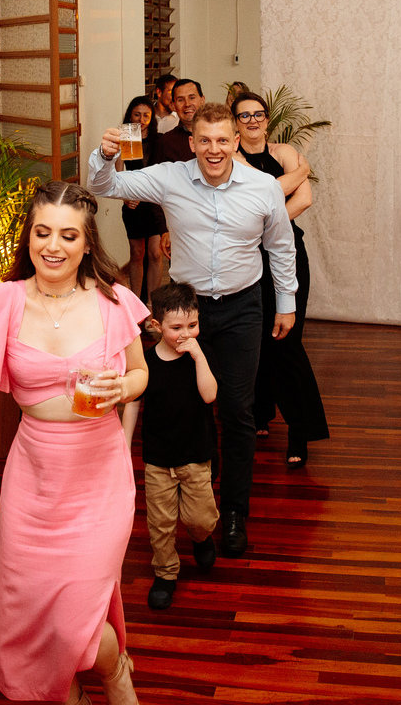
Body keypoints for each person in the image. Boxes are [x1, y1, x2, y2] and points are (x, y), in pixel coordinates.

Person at [0, 181, 148, 705]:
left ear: (87, 243)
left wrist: (122, 388)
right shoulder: (7, 298)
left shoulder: (113, 301)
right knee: (32, 613)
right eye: (42, 232)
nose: (53, 245)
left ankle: (115, 676)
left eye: (68, 235)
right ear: (29, 237)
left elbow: (140, 374)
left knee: (73, 619)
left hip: (98, 476)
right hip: (33, 482)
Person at [89, 102, 298, 559]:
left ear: (236, 141)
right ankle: (205, 487)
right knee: (196, 404)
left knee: (237, 411)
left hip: (244, 308)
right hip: (188, 311)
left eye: (223, 139)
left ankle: (236, 512)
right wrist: (104, 156)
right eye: (205, 140)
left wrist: (286, 303)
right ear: (192, 143)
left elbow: (281, 248)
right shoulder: (171, 177)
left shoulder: (263, 188)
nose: (214, 149)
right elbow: (105, 184)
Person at [231, 92, 329, 468]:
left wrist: (269, 225)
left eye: (258, 114)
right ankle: (259, 414)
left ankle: (299, 429)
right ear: (236, 123)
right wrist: (296, 176)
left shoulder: (286, 151)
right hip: (249, 258)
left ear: (267, 120)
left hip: (287, 252)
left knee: (287, 342)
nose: (252, 120)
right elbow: (264, 191)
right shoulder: (234, 160)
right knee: (257, 337)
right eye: (244, 115)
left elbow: (302, 200)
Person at [132, 282, 219, 611]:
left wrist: (197, 356)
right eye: (177, 327)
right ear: (156, 326)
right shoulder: (147, 361)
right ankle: (166, 574)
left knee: (200, 518)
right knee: (161, 523)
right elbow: (133, 403)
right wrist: (124, 443)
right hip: (157, 458)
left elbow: (210, 395)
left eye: (192, 325)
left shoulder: (202, 352)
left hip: (196, 455)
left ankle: (200, 537)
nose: (186, 334)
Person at [117, 96, 167, 303]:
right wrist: (124, 197)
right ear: (130, 115)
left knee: (155, 254)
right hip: (134, 202)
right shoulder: (127, 137)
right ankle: (136, 305)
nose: (141, 119)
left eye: (146, 115)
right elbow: (119, 172)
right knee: (137, 254)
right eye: (137, 114)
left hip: (155, 203)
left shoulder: (159, 139)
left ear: (152, 117)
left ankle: (152, 307)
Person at [151, 78, 204, 170]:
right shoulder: (165, 143)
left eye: (192, 98)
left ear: (202, 100)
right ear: (173, 105)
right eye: (180, 100)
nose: (187, 104)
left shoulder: (219, 135)